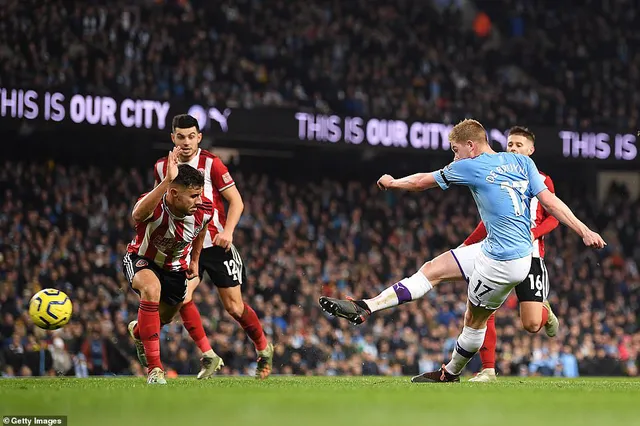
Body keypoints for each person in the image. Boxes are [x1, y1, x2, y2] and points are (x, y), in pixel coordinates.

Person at [319, 119, 605, 382]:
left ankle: (451, 373)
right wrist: (585, 230)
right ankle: (365, 306)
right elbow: (553, 204)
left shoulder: (470, 165)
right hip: (498, 249)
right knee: (432, 269)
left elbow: (421, 181)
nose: (454, 157)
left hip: (504, 263)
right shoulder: (522, 164)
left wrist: (393, 182)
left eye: (455, 150)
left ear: (471, 146)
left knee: (475, 320)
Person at [153, 114, 274, 379]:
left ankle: (264, 349)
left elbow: (237, 201)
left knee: (234, 308)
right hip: (185, 245)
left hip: (216, 243)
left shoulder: (212, 163)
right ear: (173, 138)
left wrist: (228, 232)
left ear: (199, 137)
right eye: (180, 137)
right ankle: (208, 355)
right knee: (183, 298)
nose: (186, 142)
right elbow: (158, 204)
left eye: (191, 136)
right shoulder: (163, 167)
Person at [464, 126, 559, 382]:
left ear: (531, 150)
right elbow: (489, 221)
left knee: (531, 326)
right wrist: (466, 244)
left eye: (519, 145)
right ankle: (488, 370)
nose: (514, 149)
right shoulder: (498, 177)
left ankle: (544, 310)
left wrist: (534, 232)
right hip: (498, 254)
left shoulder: (542, 179)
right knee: (485, 310)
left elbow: (554, 218)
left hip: (531, 256)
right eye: (510, 144)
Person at [123, 150, 217, 384]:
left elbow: (201, 231)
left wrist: (195, 260)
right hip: (141, 259)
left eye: (199, 194)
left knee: (164, 317)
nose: (198, 200)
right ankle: (155, 371)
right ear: (174, 194)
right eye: (193, 196)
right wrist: (166, 180)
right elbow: (137, 215)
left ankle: (138, 333)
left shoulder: (204, 210)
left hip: (175, 269)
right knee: (151, 289)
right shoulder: (153, 204)